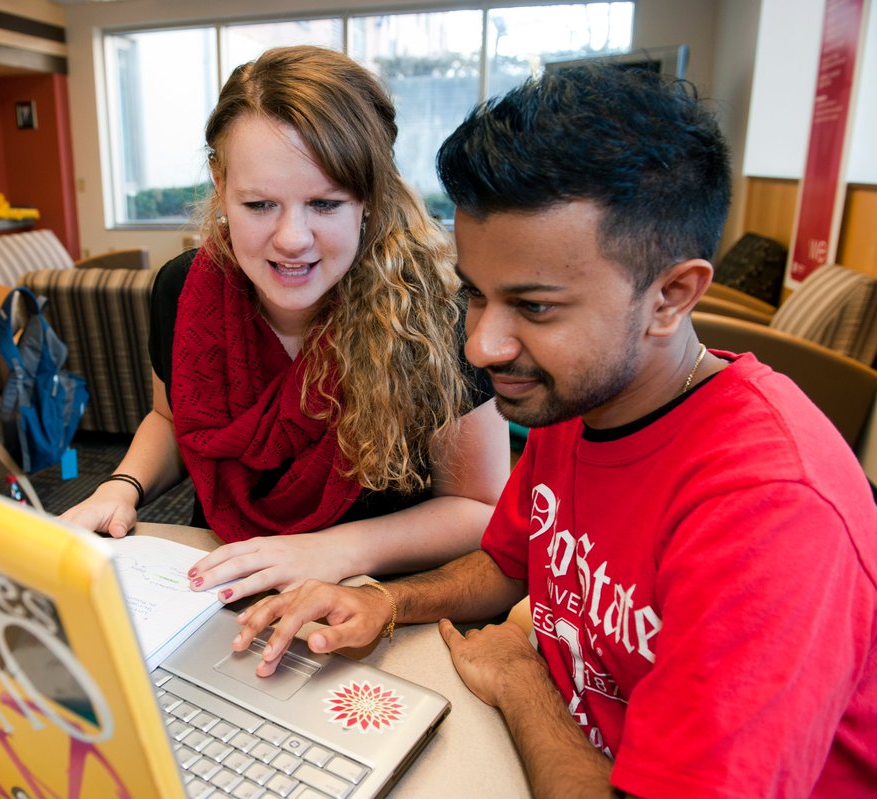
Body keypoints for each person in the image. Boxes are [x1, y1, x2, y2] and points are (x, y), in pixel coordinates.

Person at [234, 65, 877, 797]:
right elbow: (510, 563)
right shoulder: (581, 395)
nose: (481, 346)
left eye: (534, 307)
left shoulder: (770, 510)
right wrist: (387, 601)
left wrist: (522, 682)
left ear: (671, 296)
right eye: (475, 295)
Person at [61, 46, 509, 602]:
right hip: (222, 580)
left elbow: (478, 509)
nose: (292, 238)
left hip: (373, 601)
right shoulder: (180, 288)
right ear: (220, 183)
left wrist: (335, 549)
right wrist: (122, 483)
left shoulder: (438, 310)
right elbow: (169, 417)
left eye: (324, 204)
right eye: (259, 205)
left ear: (368, 196)